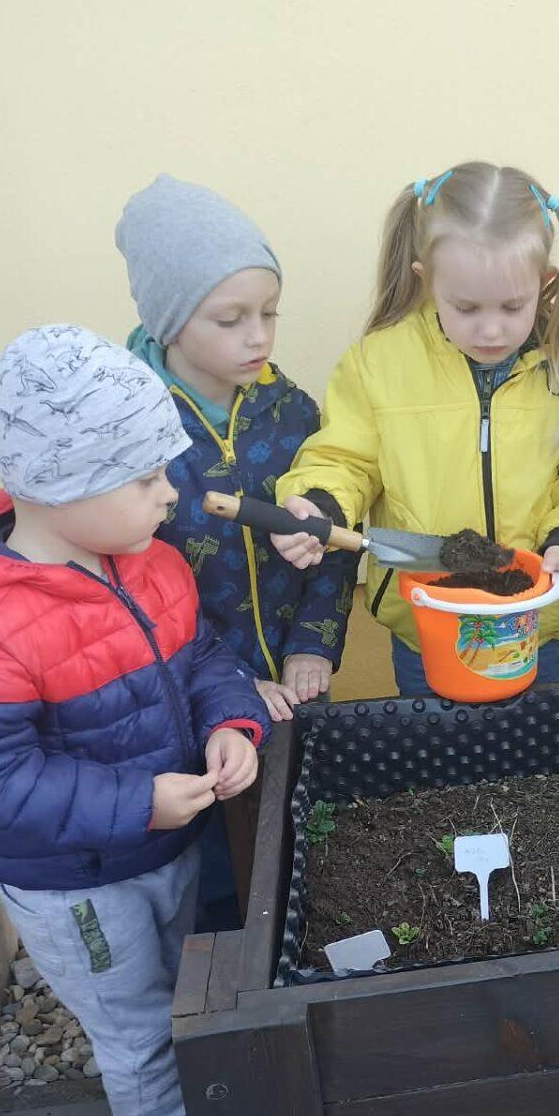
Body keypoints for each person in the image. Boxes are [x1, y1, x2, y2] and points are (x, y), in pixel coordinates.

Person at [0, 327, 267, 1116]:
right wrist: (139, 802)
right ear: (62, 483)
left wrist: (231, 722)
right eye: (144, 479)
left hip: (165, 850)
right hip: (77, 885)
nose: (169, 495)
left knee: (175, 998)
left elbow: (204, 656)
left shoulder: (150, 564)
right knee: (136, 1029)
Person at [273, 163, 559, 697]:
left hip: (532, 621)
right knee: (438, 751)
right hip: (427, 619)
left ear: (545, 282)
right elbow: (345, 459)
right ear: (425, 278)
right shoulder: (378, 362)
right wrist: (322, 504)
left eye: (513, 306)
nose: (491, 329)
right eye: (466, 307)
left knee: (540, 752)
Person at [116, 174, 356, 724]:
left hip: (299, 683)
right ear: (169, 323)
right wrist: (229, 678)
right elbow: (131, 585)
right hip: (191, 696)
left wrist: (313, 643)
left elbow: (332, 535)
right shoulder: (131, 432)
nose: (258, 336)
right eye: (231, 319)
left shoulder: (292, 409)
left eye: (269, 313)